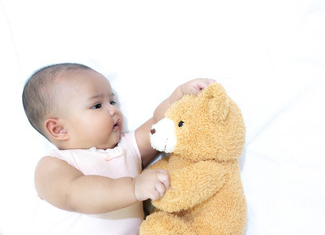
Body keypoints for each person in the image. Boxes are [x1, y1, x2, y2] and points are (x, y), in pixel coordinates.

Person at [22, 63, 215, 235]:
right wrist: (133, 187)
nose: (114, 109)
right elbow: (73, 193)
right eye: (97, 105)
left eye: (112, 101)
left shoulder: (127, 147)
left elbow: (159, 124)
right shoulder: (54, 165)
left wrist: (180, 96)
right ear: (59, 129)